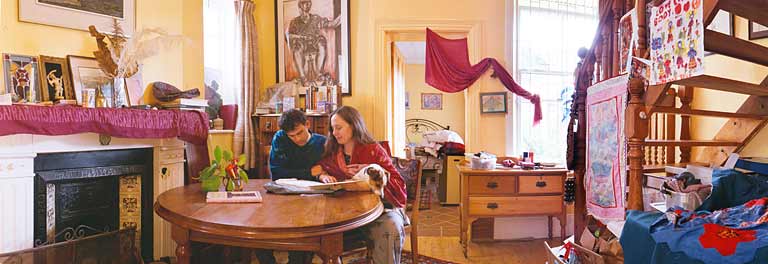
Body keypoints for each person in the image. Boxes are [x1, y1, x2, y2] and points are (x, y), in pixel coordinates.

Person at [317, 106, 409, 264]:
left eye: (339, 128)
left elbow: (398, 184)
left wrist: (372, 180)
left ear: (353, 125)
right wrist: (323, 176)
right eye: (332, 129)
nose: (334, 133)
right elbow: (320, 167)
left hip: (380, 210)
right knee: (321, 232)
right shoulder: (332, 152)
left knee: (390, 227)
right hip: (344, 213)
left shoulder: (373, 150)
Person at [255, 109, 327, 264]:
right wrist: (309, 172)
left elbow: (323, 174)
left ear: (307, 124)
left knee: (302, 236)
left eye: (300, 133)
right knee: (258, 228)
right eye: (291, 136)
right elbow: (277, 173)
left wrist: (318, 175)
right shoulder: (280, 137)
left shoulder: (322, 142)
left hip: (310, 200)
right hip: (281, 195)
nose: (296, 139)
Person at [287, 0, 340, 85]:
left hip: (315, 43)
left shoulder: (315, 18)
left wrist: (342, 16)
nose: (307, 5)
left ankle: (319, 74)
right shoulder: (295, 22)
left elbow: (332, 24)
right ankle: (303, 77)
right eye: (304, 3)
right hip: (302, 44)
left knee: (322, 42)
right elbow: (290, 35)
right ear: (300, 5)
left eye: (308, 3)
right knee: (297, 48)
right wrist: (302, 37)